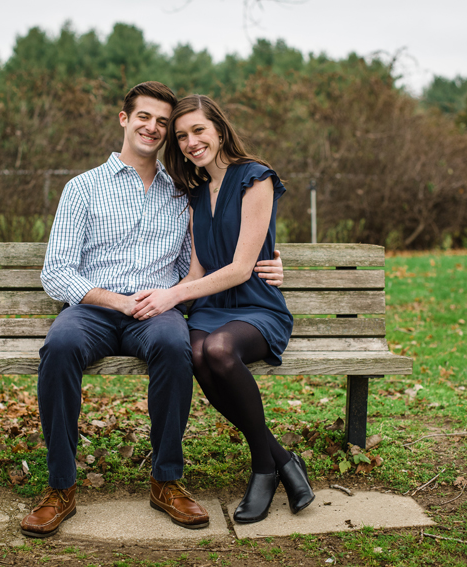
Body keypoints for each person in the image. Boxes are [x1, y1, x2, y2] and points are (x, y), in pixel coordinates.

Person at [20, 82, 284, 538]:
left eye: (164, 123)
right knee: (59, 346)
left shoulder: (182, 192)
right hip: (94, 308)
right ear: (124, 119)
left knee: (173, 343)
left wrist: (275, 261)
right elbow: (57, 271)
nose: (154, 128)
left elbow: (199, 265)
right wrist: (116, 300)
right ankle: (60, 487)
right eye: (145, 117)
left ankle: (166, 480)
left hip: (158, 309)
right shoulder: (83, 188)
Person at [131, 94, 314, 524]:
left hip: (255, 306)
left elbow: (241, 267)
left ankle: (264, 467)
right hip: (211, 308)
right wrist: (159, 298)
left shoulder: (256, 178)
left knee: (216, 351)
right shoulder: (193, 193)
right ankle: (284, 458)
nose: (192, 142)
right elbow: (196, 268)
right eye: (182, 137)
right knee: (193, 352)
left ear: (218, 128)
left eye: (198, 130)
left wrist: (172, 297)